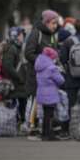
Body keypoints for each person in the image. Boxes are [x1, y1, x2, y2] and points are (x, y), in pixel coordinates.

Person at [25, 9, 59, 138]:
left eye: (56, 23)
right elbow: (28, 53)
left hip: (48, 77)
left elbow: (54, 53)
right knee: (35, 103)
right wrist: (44, 62)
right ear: (46, 22)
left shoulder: (52, 35)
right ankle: (32, 129)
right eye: (53, 23)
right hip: (36, 75)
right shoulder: (36, 33)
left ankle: (46, 130)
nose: (55, 26)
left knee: (48, 105)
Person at [35, 47, 65, 141]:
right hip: (50, 94)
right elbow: (60, 80)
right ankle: (49, 134)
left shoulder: (39, 66)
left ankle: (44, 133)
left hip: (41, 93)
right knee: (50, 115)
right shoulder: (51, 67)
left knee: (45, 115)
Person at [1, 27, 27, 125]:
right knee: (17, 104)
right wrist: (19, 77)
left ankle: (19, 123)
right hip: (15, 83)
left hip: (18, 83)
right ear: (15, 36)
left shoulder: (17, 47)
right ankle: (15, 124)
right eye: (21, 35)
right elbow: (8, 67)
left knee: (21, 103)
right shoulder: (12, 48)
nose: (23, 37)